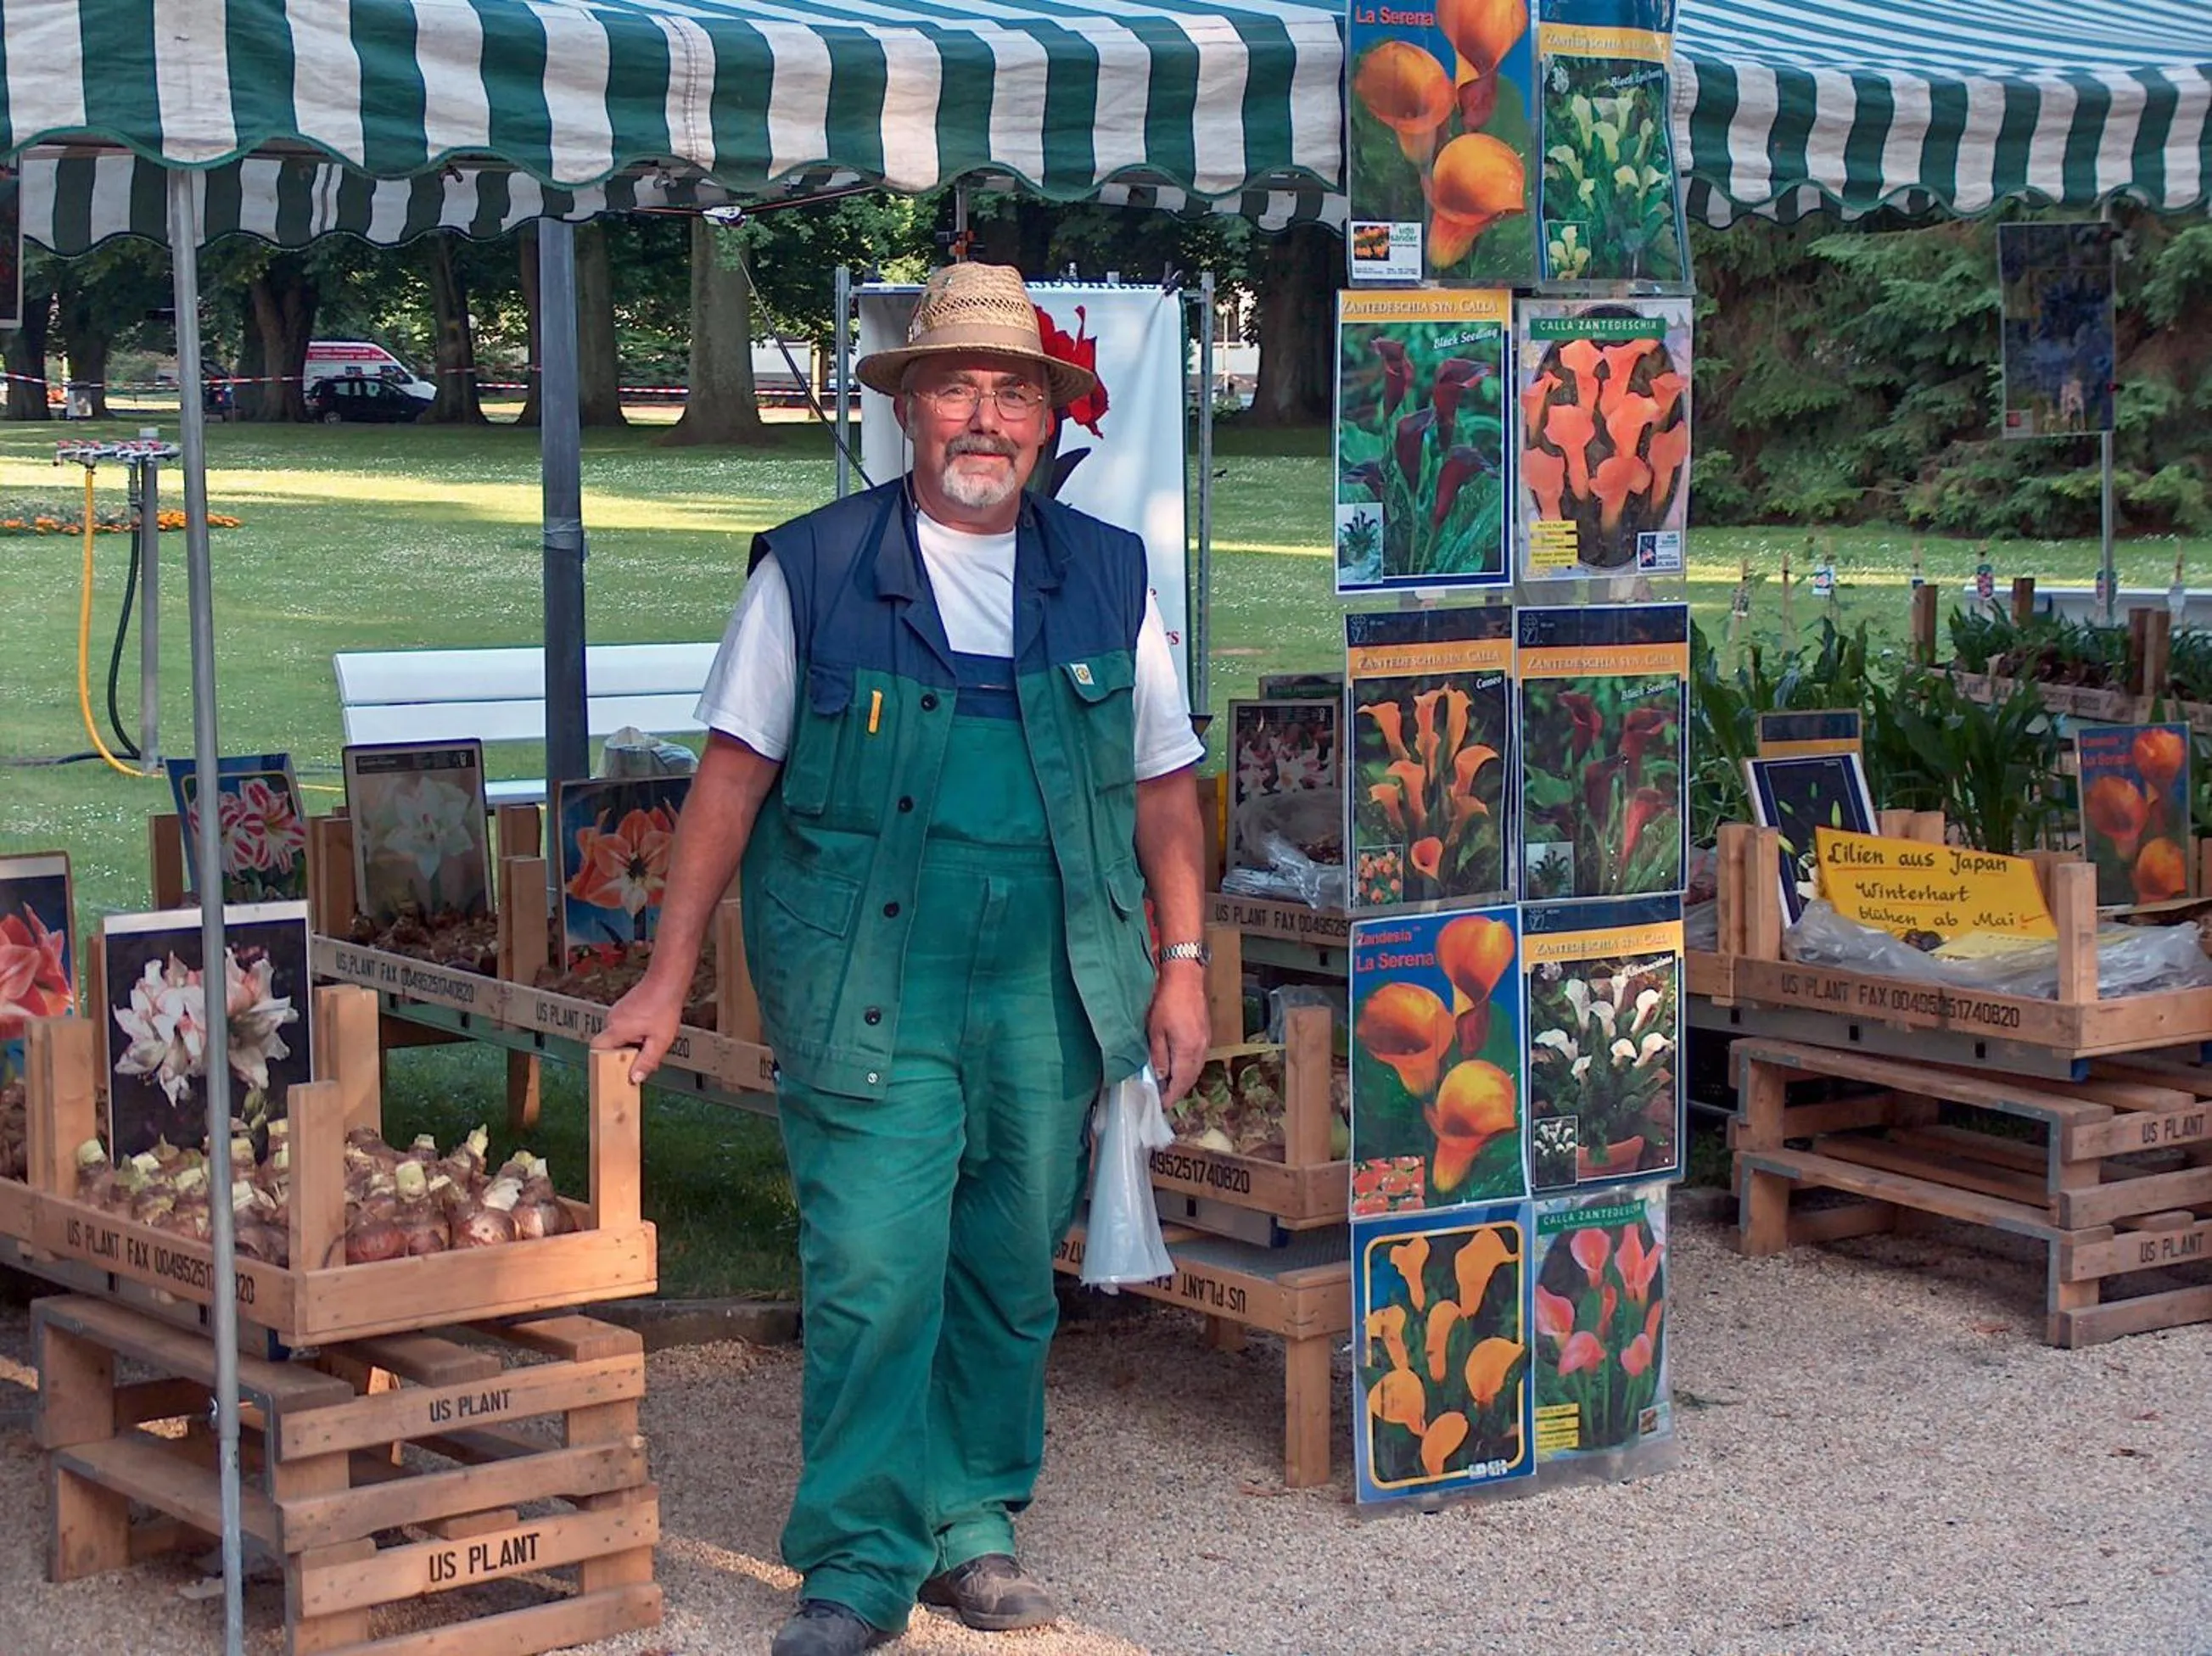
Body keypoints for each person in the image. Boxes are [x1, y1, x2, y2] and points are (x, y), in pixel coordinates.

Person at [592, 260, 1211, 1656]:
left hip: (1048, 979)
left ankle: (972, 1523)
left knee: (1003, 1263)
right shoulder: (812, 567)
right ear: (906, 411)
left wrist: (1180, 960)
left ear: (1049, 421)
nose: (983, 419)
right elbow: (730, 780)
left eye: (1011, 393)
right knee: (874, 1265)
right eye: (954, 389)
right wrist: (665, 971)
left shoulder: (1107, 575)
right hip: (864, 970)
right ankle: (860, 1561)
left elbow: (1164, 786)